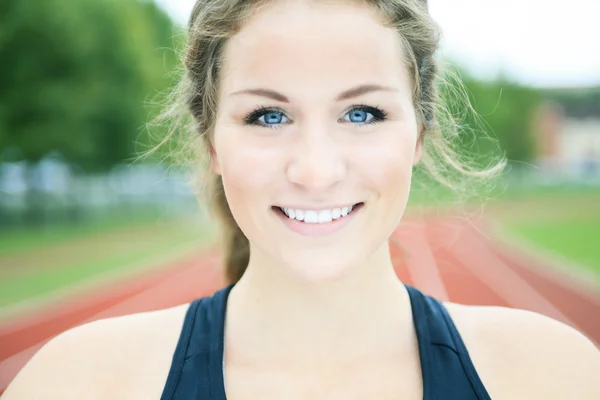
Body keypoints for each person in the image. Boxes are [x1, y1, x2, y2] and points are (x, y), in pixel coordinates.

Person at [4, 0, 600, 398]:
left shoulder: (554, 377)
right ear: (212, 138)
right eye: (268, 115)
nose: (315, 170)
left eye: (362, 113)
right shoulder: (77, 383)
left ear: (419, 132)